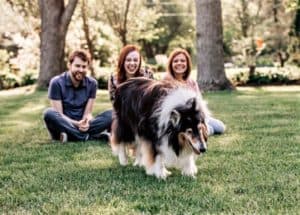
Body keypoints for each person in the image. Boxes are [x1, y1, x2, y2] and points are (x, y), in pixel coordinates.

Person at [43, 49, 112, 143]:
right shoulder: (56, 83)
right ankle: (88, 137)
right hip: (63, 125)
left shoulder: (92, 84)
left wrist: (86, 122)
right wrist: (76, 124)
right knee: (49, 113)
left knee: (113, 113)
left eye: (84, 67)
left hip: (83, 126)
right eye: (77, 66)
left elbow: (87, 113)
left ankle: (72, 136)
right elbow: (59, 114)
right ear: (69, 65)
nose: (81, 70)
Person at [163, 48, 226, 135]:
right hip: (183, 119)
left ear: (187, 63)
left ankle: (203, 128)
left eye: (182, 61)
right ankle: (201, 131)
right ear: (171, 64)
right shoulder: (166, 81)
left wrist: (202, 118)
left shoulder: (191, 81)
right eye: (176, 61)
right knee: (210, 129)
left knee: (220, 127)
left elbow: (199, 101)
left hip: (197, 115)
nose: (179, 63)